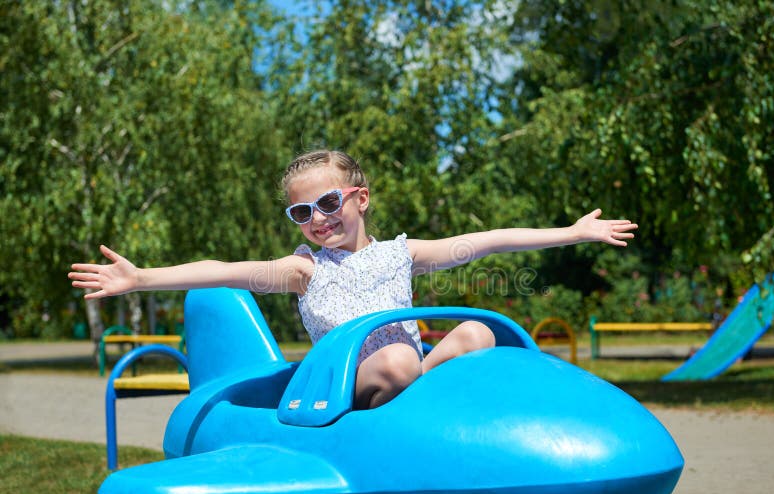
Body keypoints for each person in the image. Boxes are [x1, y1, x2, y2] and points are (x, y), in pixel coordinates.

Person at [69, 150, 637, 409]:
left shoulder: (400, 254)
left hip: (408, 373)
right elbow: (223, 271)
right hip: (348, 387)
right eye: (302, 212)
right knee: (395, 362)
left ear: (359, 199)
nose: (318, 218)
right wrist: (141, 277)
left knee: (477, 334)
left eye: (329, 202)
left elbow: (485, 240)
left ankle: (445, 420)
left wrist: (570, 232)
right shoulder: (303, 270)